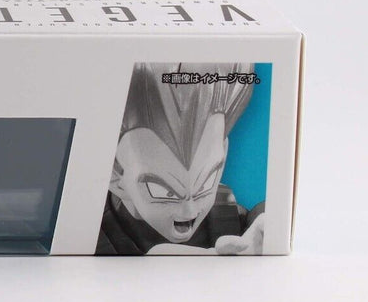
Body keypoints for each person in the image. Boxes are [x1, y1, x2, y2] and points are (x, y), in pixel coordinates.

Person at [96, 63, 265, 255]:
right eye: (165, 192)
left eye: (206, 182)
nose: (189, 211)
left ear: (223, 153)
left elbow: (259, 222)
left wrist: (264, 227)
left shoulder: (224, 215)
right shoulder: (94, 233)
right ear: (115, 175)